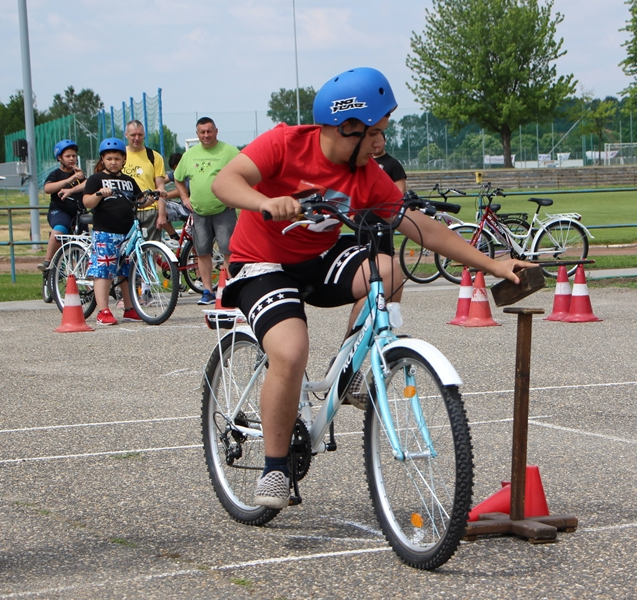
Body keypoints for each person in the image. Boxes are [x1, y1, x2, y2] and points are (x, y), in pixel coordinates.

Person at [211, 67, 529, 508]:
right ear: (348, 127)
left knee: (389, 267)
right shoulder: (286, 143)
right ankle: (275, 467)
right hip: (262, 262)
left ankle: (354, 371)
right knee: (289, 351)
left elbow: (423, 228)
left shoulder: (366, 174)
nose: (382, 143)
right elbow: (223, 182)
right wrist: (265, 201)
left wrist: (491, 263)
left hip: (318, 260)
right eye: (376, 132)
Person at [173, 117, 240, 304]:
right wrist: (184, 198)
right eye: (202, 132)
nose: (206, 135)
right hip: (199, 211)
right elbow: (178, 178)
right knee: (202, 252)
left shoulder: (230, 152)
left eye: (209, 131)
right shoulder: (190, 155)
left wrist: (235, 196)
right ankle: (208, 291)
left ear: (216, 131)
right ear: (197, 134)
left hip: (223, 210)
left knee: (228, 250)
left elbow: (245, 172)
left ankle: (228, 288)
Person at [82, 138, 143, 326]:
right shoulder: (96, 179)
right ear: (103, 159)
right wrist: (99, 194)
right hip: (106, 232)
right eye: (109, 158)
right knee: (104, 271)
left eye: (117, 158)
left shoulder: (129, 181)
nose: (113, 162)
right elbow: (87, 202)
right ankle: (103, 310)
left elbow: (139, 201)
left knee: (127, 270)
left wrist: (154, 196)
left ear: (124, 160)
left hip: (127, 233)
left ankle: (130, 308)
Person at [39, 140, 86, 271]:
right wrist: (70, 180)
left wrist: (78, 179)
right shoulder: (56, 174)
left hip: (79, 213)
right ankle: (48, 261)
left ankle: (88, 286)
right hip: (60, 210)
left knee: (85, 246)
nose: (72, 159)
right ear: (60, 158)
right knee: (60, 228)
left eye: (74, 156)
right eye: (68, 156)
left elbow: (88, 185)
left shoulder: (80, 174)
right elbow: (47, 188)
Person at [122, 120, 167, 241]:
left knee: (150, 250)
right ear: (126, 135)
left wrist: (162, 215)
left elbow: (160, 188)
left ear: (144, 135)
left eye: (140, 135)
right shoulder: (119, 155)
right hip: (123, 210)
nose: (136, 138)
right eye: (133, 135)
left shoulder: (154, 156)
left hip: (149, 211)